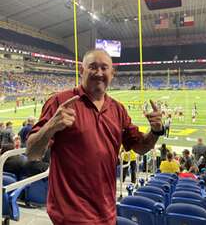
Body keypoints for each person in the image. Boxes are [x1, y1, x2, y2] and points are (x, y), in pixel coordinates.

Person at [26, 49, 163, 225]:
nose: (99, 73)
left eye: (104, 68)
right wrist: (50, 127)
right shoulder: (60, 102)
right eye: (92, 67)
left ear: (112, 74)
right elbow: (32, 153)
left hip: (106, 211)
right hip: (70, 214)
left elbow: (141, 146)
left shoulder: (118, 109)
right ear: (81, 71)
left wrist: (156, 131)